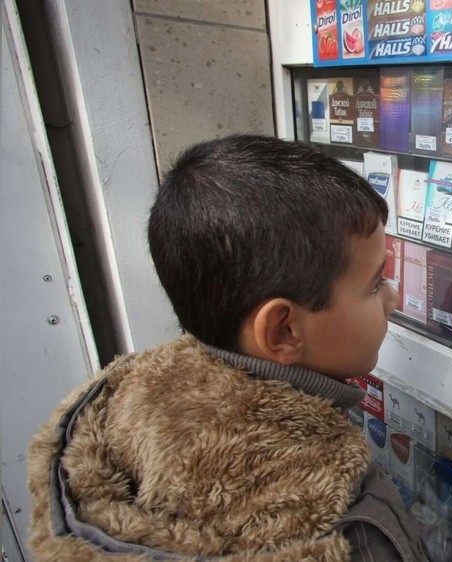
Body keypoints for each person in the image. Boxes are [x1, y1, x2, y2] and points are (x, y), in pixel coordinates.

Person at [27, 135, 429, 561]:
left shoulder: (121, 401)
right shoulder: (346, 531)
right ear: (283, 331)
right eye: (374, 284)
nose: (393, 298)